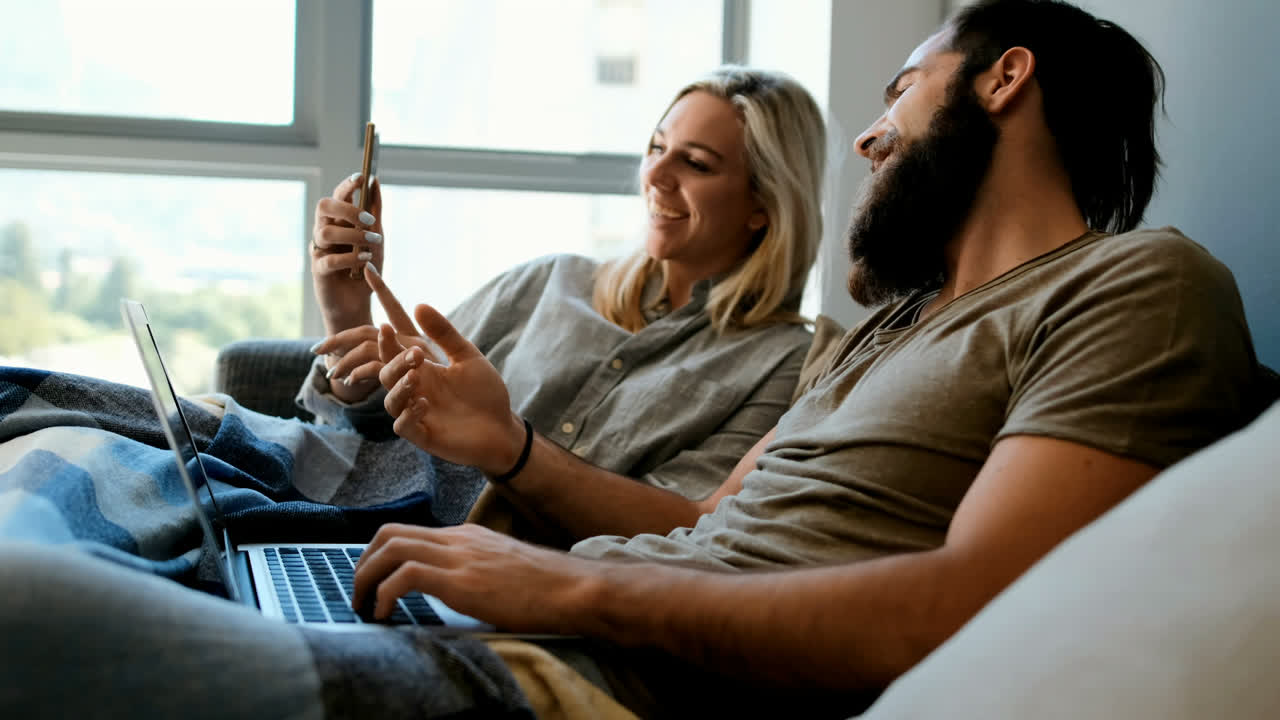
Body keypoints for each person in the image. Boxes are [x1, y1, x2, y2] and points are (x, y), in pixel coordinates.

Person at [0, 2, 1263, 718]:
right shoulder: (884, 328)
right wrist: (524, 561)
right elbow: (717, 523)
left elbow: (972, 606)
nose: (872, 138)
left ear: (1004, 76)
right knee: (48, 464)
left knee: (27, 615)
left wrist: (567, 581)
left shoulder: (1138, 284)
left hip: (611, 669)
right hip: (544, 609)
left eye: (898, 89)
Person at [299, 67, 827, 529]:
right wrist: (346, 312)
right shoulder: (551, 281)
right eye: (657, 148)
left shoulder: (781, 362)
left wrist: (509, 443)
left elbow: (681, 529)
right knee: (214, 455)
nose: (657, 176)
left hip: (480, 568)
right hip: (348, 511)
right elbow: (380, 429)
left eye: (697, 163)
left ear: (765, 202)